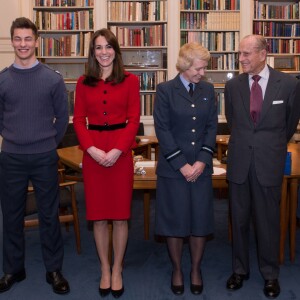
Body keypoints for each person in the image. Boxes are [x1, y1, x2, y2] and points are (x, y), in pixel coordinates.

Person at [225, 34, 300, 299]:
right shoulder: (232, 86)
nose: (241, 59)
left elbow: (289, 125)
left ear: (262, 54)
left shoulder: (289, 85)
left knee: (268, 221)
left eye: (246, 54)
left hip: (269, 162)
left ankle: (270, 274)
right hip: (239, 164)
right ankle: (239, 269)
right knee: (239, 219)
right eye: (240, 53)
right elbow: (233, 122)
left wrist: (267, 145)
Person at [0, 17, 70, 294]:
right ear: (12, 41)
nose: (23, 44)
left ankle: (53, 270)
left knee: (49, 215)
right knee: (11, 215)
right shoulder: (3, 79)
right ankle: (13, 269)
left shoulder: (52, 79)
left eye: (28, 38)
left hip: (44, 156)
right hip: (11, 157)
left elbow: (63, 118)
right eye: (17, 39)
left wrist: (47, 143)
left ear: (36, 41)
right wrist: (14, 138)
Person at [73, 28, 140, 298]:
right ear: (93, 52)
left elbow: (134, 120)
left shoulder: (131, 80)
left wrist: (117, 150)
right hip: (93, 155)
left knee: (121, 217)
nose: (104, 52)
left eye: (108, 47)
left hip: (120, 154)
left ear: (116, 51)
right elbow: (78, 120)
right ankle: (104, 268)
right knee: (99, 218)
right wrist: (90, 148)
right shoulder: (82, 82)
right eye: (98, 47)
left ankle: (117, 269)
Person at [153, 42, 218, 296]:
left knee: (200, 220)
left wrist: (202, 161)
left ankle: (196, 269)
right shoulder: (165, 90)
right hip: (173, 169)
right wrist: (182, 165)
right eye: (199, 68)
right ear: (185, 65)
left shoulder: (209, 90)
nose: (202, 73)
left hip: (201, 168)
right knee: (174, 221)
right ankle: (178, 269)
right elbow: (163, 130)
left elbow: (211, 127)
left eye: (204, 68)